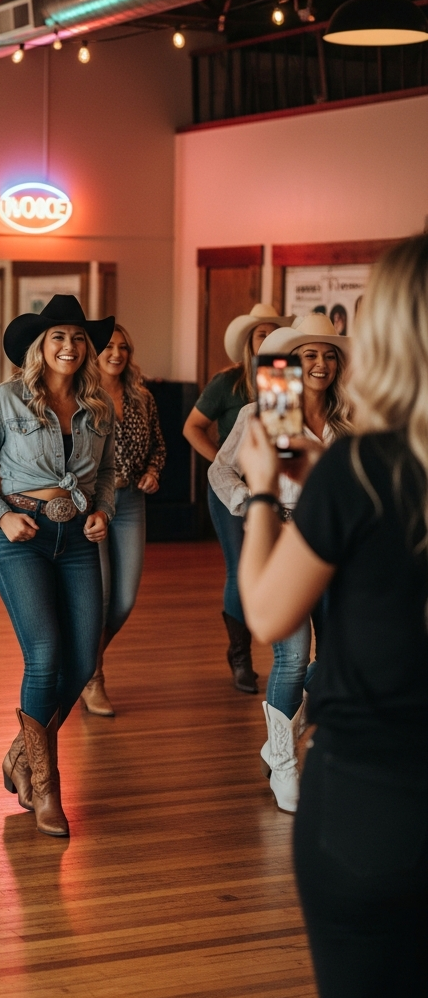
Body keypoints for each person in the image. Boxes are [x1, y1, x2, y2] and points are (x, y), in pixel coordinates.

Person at [236, 236, 428, 998]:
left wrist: (267, 493)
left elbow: (272, 616)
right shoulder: (355, 474)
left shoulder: (362, 471)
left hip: (368, 806)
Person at [0, 295, 115, 838]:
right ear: (40, 348)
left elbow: (109, 473)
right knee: (45, 655)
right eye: (58, 338)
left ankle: (22, 754)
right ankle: (47, 788)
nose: (69, 347)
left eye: (77, 338)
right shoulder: (6, 400)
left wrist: (102, 511)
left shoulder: (100, 407)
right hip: (21, 536)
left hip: (77, 539)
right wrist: (0, 517)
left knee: (81, 658)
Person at [209, 313, 352, 811]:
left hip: (337, 547)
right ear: (290, 364)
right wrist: (252, 503)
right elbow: (220, 471)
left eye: (328, 354)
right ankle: (285, 763)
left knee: (336, 658)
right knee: (291, 656)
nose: (320, 364)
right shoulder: (265, 413)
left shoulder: (349, 419)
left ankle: (279, 737)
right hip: (284, 540)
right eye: (309, 355)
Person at [182, 303, 291, 693]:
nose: (269, 339)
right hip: (232, 489)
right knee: (240, 567)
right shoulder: (228, 384)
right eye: (262, 333)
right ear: (249, 342)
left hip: (280, 492)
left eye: (275, 333)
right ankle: (241, 656)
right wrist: (225, 466)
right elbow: (193, 428)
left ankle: (291, 659)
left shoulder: (285, 387)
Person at [80, 323, 165, 716]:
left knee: (125, 597)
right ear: (94, 353)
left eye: (123, 347)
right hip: (91, 501)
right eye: (108, 347)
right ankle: (93, 677)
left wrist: (153, 471)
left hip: (130, 501)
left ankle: (82, 661)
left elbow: (159, 445)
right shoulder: (81, 396)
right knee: (101, 594)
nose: (116, 353)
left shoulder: (142, 397)